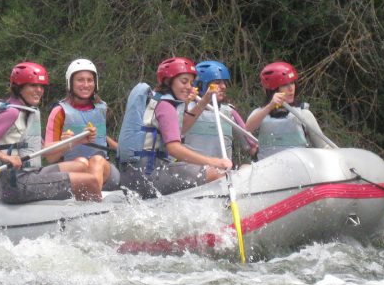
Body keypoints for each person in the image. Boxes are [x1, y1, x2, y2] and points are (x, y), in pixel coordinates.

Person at [0, 62, 104, 203]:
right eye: (33, 85)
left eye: (41, 86)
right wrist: (7, 158)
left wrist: (78, 140)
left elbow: (44, 150)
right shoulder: (11, 112)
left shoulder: (28, 112)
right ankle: (100, 217)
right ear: (19, 88)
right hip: (16, 184)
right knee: (90, 181)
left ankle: (80, 208)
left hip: (30, 174)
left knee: (80, 166)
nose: (39, 90)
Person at [117, 57, 232, 197]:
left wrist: (205, 100)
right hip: (150, 175)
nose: (189, 86)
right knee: (216, 173)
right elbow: (174, 149)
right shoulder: (166, 107)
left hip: (132, 177)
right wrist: (214, 161)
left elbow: (180, 130)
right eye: (184, 81)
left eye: (191, 82)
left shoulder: (156, 100)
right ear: (168, 81)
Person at [45, 59, 119, 190]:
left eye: (90, 80)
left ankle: (93, 198)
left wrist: (121, 150)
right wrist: (67, 143)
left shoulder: (102, 108)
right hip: (75, 171)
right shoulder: (59, 112)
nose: (86, 84)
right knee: (82, 163)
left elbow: (102, 138)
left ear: (95, 83)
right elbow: (50, 158)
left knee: (96, 160)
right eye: (80, 80)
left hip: (105, 171)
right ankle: (90, 196)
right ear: (70, 83)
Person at [245, 61, 335, 159]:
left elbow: (323, 146)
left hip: (296, 171)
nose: (291, 88)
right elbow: (248, 128)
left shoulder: (303, 114)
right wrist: (270, 105)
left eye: (292, 83)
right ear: (273, 90)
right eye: (284, 85)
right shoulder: (261, 113)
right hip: (268, 171)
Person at [181, 59, 257, 164]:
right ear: (201, 85)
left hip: (222, 173)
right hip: (191, 172)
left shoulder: (229, 112)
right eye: (217, 83)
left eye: (224, 83)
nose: (223, 87)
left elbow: (252, 146)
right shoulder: (186, 108)